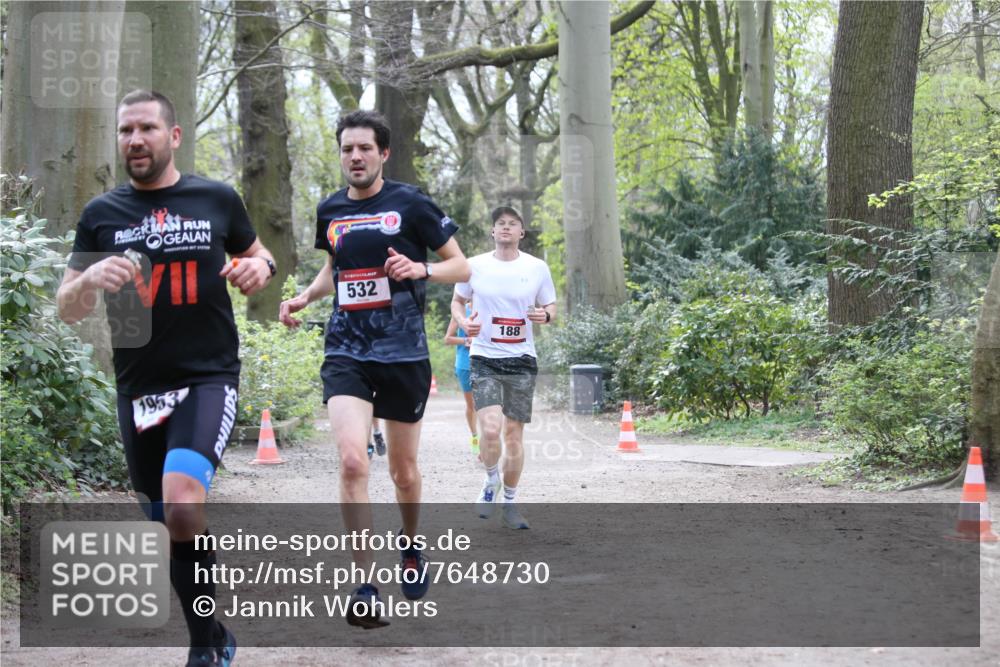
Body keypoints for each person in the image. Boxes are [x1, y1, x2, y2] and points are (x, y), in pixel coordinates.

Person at [57, 90, 275, 667]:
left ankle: (201, 649)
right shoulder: (101, 214)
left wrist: (260, 266)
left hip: (207, 379)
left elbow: (260, 254)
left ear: (173, 136)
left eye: (147, 128)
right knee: (166, 524)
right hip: (139, 389)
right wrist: (87, 281)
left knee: (181, 505)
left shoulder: (215, 198)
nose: (135, 140)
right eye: (126, 130)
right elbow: (67, 308)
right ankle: (215, 631)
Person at [278, 109, 469, 628]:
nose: (355, 157)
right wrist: (305, 297)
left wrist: (421, 267)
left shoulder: (411, 203)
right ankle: (364, 586)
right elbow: (334, 268)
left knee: (403, 472)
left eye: (365, 148)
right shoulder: (330, 209)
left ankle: (410, 544)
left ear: (383, 153)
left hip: (403, 354)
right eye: (347, 149)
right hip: (347, 350)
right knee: (352, 462)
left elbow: (461, 265)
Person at [451, 206, 556, 530]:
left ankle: (510, 502)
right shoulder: (474, 265)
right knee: (490, 429)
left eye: (513, 224)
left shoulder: (537, 267)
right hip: (484, 356)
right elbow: (457, 301)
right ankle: (490, 480)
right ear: (493, 232)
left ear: (521, 232)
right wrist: (463, 321)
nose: (506, 227)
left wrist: (545, 315)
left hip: (522, 358)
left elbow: (551, 305)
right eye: (500, 223)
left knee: (513, 435)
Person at [444, 305, 479, 455]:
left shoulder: (492, 305)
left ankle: (489, 440)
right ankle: (475, 437)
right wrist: (467, 340)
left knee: (488, 404)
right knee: (472, 405)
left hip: (488, 362)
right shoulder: (461, 311)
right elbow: (448, 339)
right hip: (466, 364)